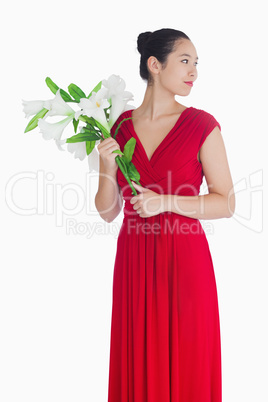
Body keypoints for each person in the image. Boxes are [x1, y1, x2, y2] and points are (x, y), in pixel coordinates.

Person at [95, 28, 235, 402]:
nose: (193, 72)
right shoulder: (120, 127)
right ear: (154, 65)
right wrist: (106, 167)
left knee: (188, 356)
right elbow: (108, 212)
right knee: (136, 355)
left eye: (196, 64)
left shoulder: (202, 125)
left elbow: (226, 203)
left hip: (185, 263)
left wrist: (167, 201)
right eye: (185, 61)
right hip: (134, 262)